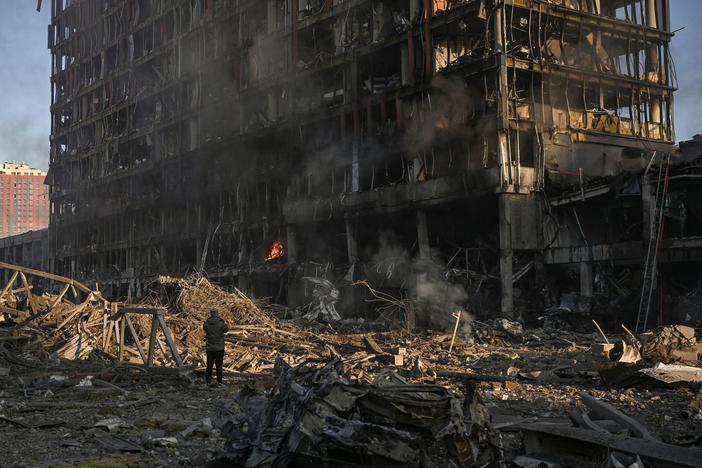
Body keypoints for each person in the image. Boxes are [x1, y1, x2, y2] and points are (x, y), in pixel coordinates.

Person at [203, 308, 228, 386]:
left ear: (211, 314)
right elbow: (226, 330)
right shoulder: (221, 323)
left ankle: (208, 381)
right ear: (217, 314)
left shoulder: (206, 323)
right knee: (219, 365)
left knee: (209, 365)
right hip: (219, 348)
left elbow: (204, 329)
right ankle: (219, 381)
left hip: (210, 348)